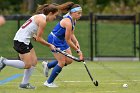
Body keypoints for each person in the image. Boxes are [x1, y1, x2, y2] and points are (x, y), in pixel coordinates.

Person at [0, 4, 59, 89]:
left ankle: (24, 84)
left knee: (34, 61)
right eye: (55, 15)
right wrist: (50, 45)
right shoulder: (43, 21)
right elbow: (39, 39)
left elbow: (29, 28)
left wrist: (33, 35)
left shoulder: (38, 16)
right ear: (50, 13)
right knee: (27, 64)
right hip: (21, 41)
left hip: (24, 40)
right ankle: (4, 61)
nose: (55, 18)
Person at [42, 2, 84, 88]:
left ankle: (48, 65)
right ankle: (48, 82)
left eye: (81, 13)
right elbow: (68, 40)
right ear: (72, 12)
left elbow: (71, 34)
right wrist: (78, 51)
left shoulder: (73, 20)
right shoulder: (67, 22)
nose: (80, 15)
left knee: (69, 60)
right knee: (62, 62)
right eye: (78, 13)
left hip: (61, 40)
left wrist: (76, 42)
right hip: (54, 40)